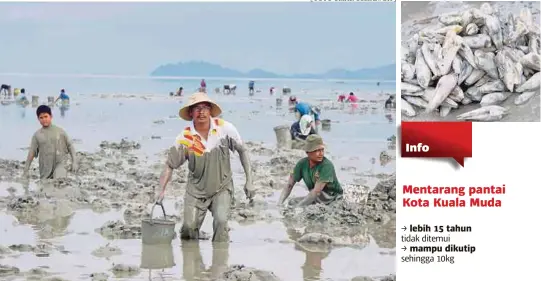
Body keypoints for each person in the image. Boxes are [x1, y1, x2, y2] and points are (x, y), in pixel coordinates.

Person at [156, 92, 255, 242]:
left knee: (221, 222)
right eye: (196, 108)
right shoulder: (185, 138)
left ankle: (220, 261)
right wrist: (161, 190)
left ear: (210, 111)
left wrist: (249, 180)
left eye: (205, 108)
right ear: (190, 112)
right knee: (189, 229)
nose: (201, 112)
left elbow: (243, 151)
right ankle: (191, 258)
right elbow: (170, 165)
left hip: (221, 187)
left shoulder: (225, 129)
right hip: (195, 191)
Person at [277, 134, 343, 207]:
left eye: (322, 150)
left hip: (331, 197)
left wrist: (298, 207)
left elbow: (316, 192)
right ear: (308, 152)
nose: (321, 154)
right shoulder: (302, 164)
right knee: (292, 202)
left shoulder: (326, 166)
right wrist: (279, 204)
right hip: (317, 197)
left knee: (302, 204)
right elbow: (289, 185)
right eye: (317, 150)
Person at [23, 105, 78, 179]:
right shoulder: (37, 135)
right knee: (45, 186)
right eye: (41, 118)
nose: (44, 119)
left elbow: (70, 146)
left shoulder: (60, 131)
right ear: (38, 119)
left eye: (46, 116)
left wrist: (74, 162)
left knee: (59, 180)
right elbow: (31, 153)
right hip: (45, 169)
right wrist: (26, 170)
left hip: (60, 165)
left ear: (51, 116)